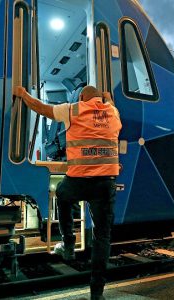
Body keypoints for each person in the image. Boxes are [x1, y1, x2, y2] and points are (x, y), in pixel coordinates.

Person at [13, 85, 122, 300]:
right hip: (105, 183)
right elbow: (111, 105)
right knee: (103, 236)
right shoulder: (112, 112)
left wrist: (24, 95)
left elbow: (42, 108)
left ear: (81, 97)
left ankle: (69, 245)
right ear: (102, 99)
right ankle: (97, 292)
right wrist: (108, 99)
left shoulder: (73, 109)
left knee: (62, 196)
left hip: (78, 179)